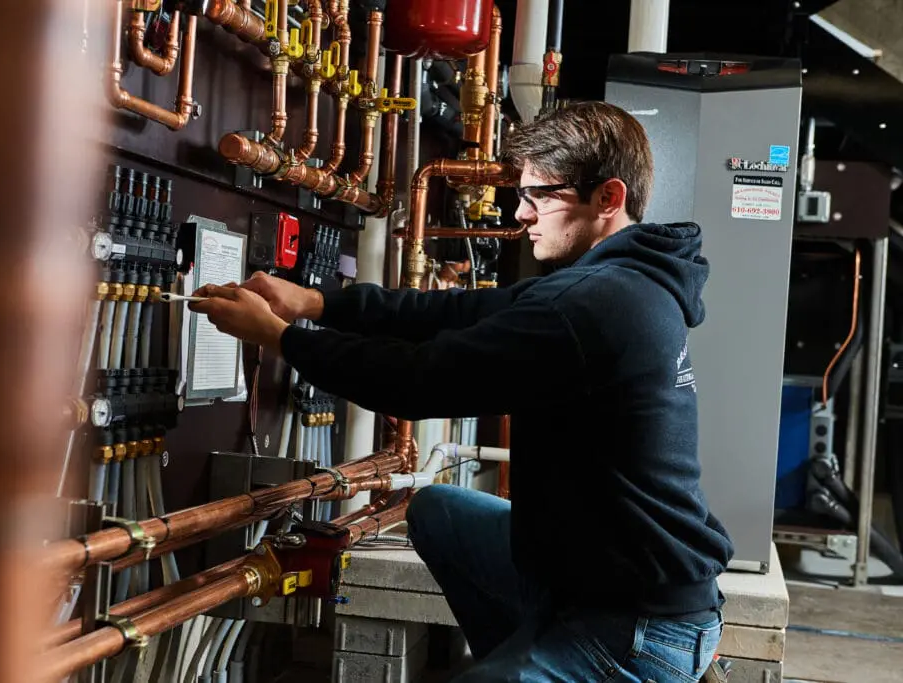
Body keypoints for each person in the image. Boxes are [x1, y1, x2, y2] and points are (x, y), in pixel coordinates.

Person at [190, 101, 734, 682]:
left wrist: (279, 338)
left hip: (631, 625)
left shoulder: (593, 306)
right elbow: (458, 310)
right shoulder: (621, 281)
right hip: (601, 579)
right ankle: (527, 658)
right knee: (438, 510)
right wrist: (317, 303)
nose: (521, 215)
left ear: (608, 198)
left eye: (538, 196)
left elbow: (417, 382)